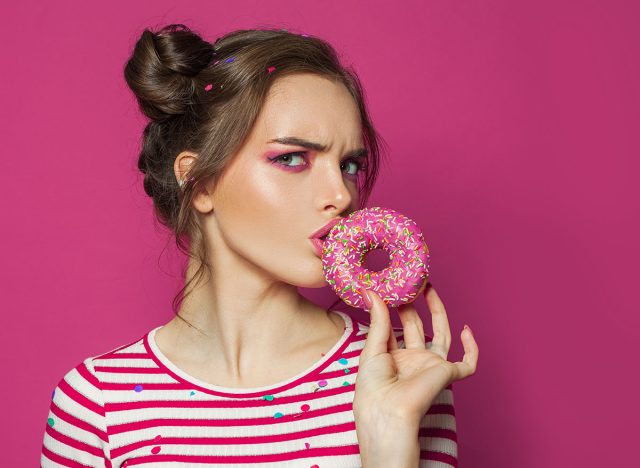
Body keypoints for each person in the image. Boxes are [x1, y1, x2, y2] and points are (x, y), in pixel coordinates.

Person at [40, 24, 478, 467]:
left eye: (348, 165)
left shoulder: (400, 372)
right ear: (199, 182)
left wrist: (389, 437)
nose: (342, 196)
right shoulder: (98, 403)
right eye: (291, 158)